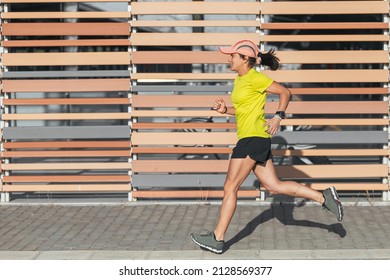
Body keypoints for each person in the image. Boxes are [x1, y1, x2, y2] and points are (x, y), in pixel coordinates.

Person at [190, 39, 344, 254]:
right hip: (253, 138)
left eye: (233, 55)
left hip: (252, 139)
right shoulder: (240, 80)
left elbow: (285, 92)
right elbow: (245, 109)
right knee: (274, 186)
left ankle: (217, 238)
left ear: (245, 59)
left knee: (230, 187)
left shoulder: (255, 78)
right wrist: (226, 110)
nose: (229, 58)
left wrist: (278, 117)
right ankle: (323, 197)